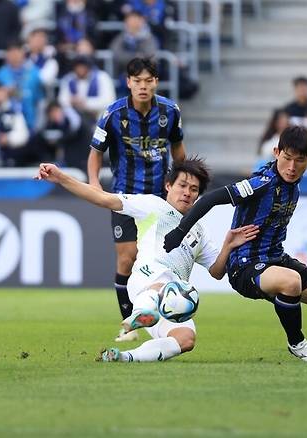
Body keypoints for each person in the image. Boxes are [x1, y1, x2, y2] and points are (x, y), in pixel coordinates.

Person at [163, 126, 307, 362]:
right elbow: (212, 198)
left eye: (299, 160)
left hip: (275, 258)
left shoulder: (292, 184)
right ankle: (297, 343)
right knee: (291, 282)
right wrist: (180, 231)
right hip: (244, 266)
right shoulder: (260, 183)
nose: (292, 167)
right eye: (286, 158)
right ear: (276, 152)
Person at [35, 158, 258, 362]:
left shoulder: (199, 230)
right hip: (146, 281)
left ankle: (124, 357)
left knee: (186, 339)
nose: (187, 193)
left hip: (170, 302)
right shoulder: (152, 205)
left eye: (194, 189)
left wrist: (228, 246)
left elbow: (217, 272)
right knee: (165, 282)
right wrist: (61, 177)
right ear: (168, 186)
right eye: (182, 185)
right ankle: (141, 313)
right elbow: (103, 198)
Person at [87, 57, 186, 342]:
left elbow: (179, 151)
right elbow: (95, 153)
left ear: (156, 82)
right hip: (124, 197)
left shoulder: (170, 112)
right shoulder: (113, 114)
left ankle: (164, 319)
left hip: (159, 199)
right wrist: (95, 185)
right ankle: (128, 324)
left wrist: (184, 184)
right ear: (128, 83)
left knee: (161, 262)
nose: (142, 86)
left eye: (148, 80)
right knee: (127, 260)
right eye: (137, 81)